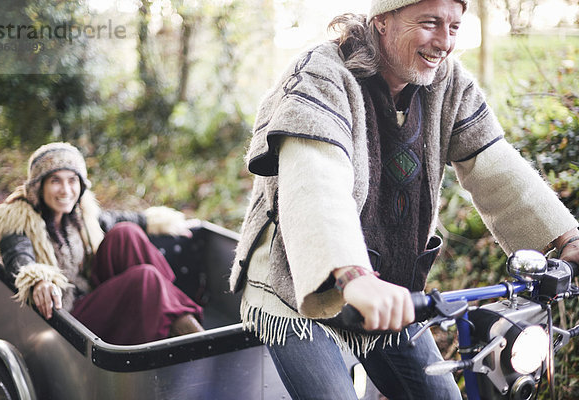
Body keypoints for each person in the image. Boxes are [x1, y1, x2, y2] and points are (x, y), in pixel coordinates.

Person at [229, 0, 579, 398]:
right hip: (295, 281)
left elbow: (492, 163)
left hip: (390, 284)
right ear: (382, 21)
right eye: (430, 23)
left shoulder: (448, 83)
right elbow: (315, 179)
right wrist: (351, 276)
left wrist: (566, 236)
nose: (444, 42)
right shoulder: (321, 75)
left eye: (454, 27)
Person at [0, 142, 205, 345]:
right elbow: (18, 257)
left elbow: (121, 219)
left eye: (72, 180)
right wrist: (38, 280)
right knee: (146, 278)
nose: (66, 190)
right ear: (39, 186)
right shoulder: (18, 219)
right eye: (55, 181)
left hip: (91, 291)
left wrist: (162, 222)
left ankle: (169, 312)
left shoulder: (80, 215)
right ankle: (189, 330)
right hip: (67, 317)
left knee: (125, 234)